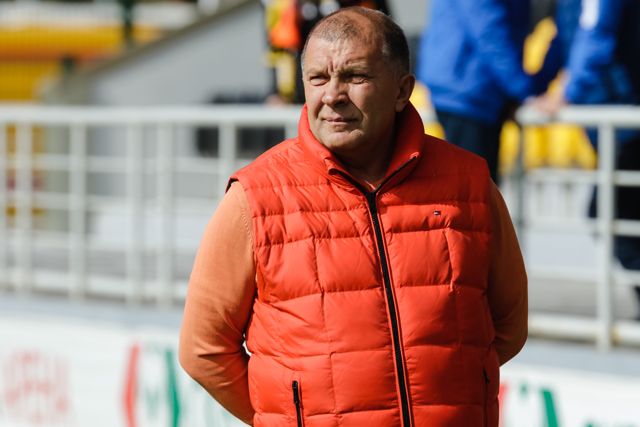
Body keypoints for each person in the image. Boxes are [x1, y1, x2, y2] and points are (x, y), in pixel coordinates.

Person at [179, 7, 528, 426]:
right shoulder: (254, 197)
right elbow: (204, 350)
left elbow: (508, 326)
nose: (332, 95)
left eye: (355, 76)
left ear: (402, 91)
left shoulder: (469, 182)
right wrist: (286, 417)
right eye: (318, 78)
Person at [532, 0, 640, 318]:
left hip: (624, 118)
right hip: (609, 120)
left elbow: (596, 34)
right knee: (617, 218)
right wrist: (531, 88)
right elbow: (565, 37)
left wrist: (567, 94)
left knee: (610, 215)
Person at [417, 0, 560, 183]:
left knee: (475, 188)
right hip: (468, 94)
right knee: (474, 190)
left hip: (473, 91)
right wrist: (525, 92)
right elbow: (489, 33)